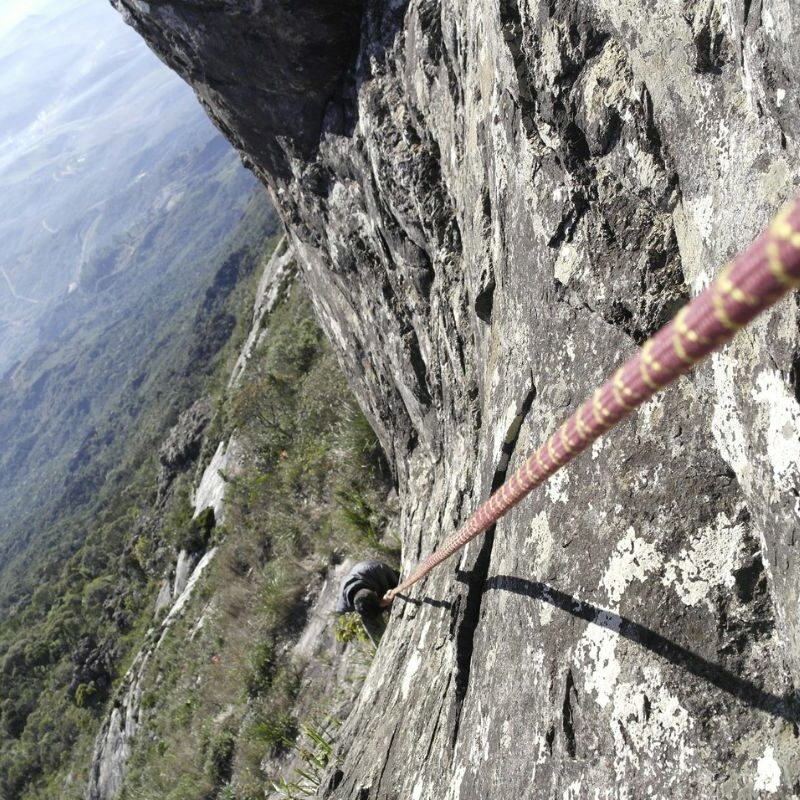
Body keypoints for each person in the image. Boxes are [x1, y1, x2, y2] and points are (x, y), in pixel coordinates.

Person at [336, 560, 399, 643]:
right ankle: (382, 645)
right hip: (368, 590)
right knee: (369, 621)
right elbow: (340, 613)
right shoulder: (343, 606)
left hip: (383, 582)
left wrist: (389, 597)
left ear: (375, 593)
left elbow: (401, 582)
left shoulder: (378, 569)